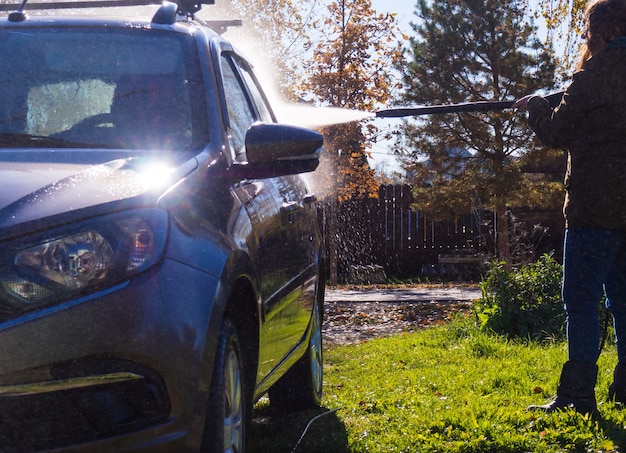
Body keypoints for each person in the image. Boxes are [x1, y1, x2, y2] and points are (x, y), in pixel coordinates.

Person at [514, 0, 626, 415]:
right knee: (624, 302)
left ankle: (578, 396)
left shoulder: (592, 74)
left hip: (593, 210)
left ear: (600, 32)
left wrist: (536, 107)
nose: (583, 38)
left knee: (581, 301)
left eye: (586, 31)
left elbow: (555, 131)